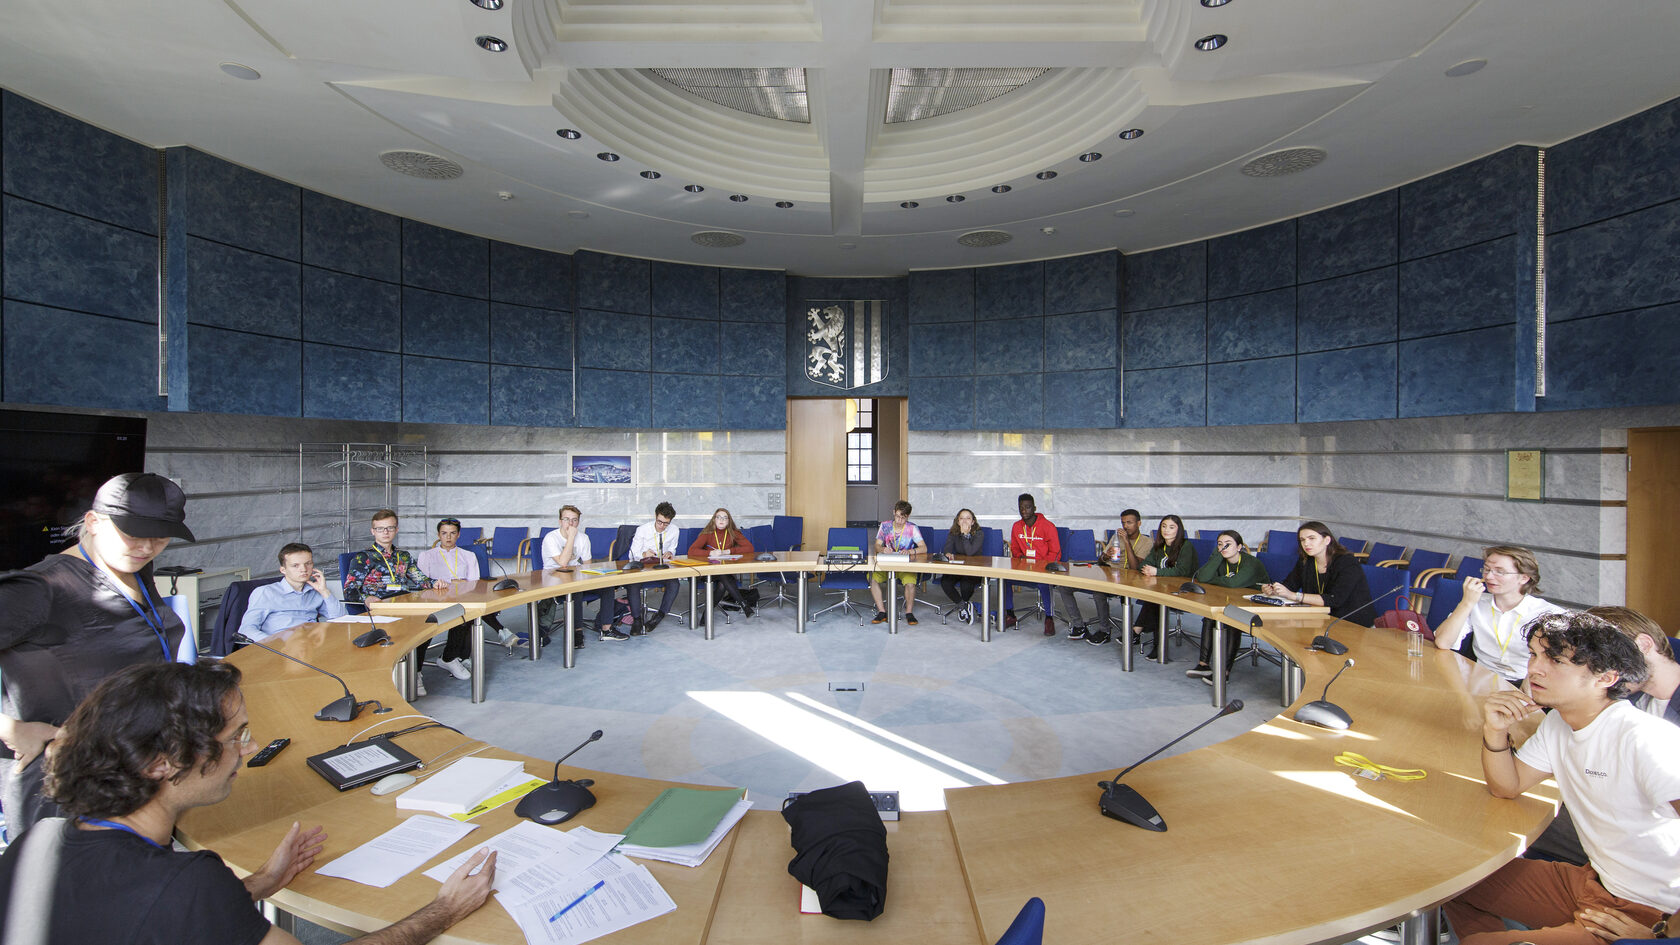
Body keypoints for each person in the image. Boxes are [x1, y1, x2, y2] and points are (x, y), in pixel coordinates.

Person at [0, 660, 498, 945]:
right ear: (161, 762)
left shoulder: (33, 841)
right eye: (237, 737)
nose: (250, 750)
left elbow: (146, 919)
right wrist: (442, 911)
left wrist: (259, 883)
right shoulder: (187, 881)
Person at [1443, 611, 1680, 945]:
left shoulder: (1644, 739)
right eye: (1534, 655)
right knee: (1450, 880)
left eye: (1555, 660)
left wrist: (1665, 935)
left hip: (1647, 912)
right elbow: (1507, 786)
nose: (1535, 669)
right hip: (1594, 884)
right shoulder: (1559, 723)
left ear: (1606, 677)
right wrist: (1495, 730)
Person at [0, 472, 194, 835]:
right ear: (93, 522)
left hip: (135, 766)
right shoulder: (40, 588)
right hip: (70, 783)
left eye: (160, 537)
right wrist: (10, 728)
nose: (147, 547)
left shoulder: (135, 568)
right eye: (134, 534)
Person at [341, 510, 445, 694]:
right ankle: (393, 677)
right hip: (379, 608)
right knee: (408, 631)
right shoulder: (363, 558)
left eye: (389, 528)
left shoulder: (403, 556)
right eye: (380, 529)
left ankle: (416, 672)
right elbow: (349, 590)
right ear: (373, 531)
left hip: (404, 605)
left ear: (396, 530)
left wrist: (435, 583)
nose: (385, 532)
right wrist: (367, 598)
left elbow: (421, 580)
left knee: (428, 625)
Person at [1433, 546, 1565, 684]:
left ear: (1524, 578)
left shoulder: (1549, 614)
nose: (1489, 576)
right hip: (1480, 679)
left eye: (1500, 572)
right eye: (1487, 569)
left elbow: (1560, 662)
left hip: (1528, 683)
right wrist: (1466, 603)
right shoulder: (1476, 602)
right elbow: (1443, 642)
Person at [416, 519, 510, 676]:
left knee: (469, 613)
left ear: (458, 535)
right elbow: (422, 584)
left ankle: (453, 657)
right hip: (436, 600)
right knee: (469, 611)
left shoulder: (469, 555)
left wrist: (455, 584)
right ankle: (499, 630)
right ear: (438, 535)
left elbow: (474, 583)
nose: (448, 537)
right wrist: (454, 583)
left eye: (452, 533)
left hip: (463, 598)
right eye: (444, 533)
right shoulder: (426, 556)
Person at [1184, 530, 1268, 682]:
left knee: (1232, 620)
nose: (1223, 548)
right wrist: (1217, 556)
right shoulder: (1219, 558)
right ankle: (1203, 665)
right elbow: (1202, 577)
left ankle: (1224, 672)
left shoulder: (1251, 563)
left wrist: (1215, 579)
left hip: (1255, 604)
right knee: (1210, 617)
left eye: (1228, 544)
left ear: (1239, 547)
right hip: (1231, 599)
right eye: (1220, 544)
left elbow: (1233, 583)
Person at [1063, 508, 1151, 647]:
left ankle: (1105, 631)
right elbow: (1101, 560)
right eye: (1123, 523)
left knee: (1099, 591)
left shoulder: (1146, 542)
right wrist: (1106, 556)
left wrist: (1127, 542)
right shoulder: (1116, 537)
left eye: (1129, 522)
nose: (1126, 526)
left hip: (1128, 577)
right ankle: (1079, 626)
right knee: (1065, 588)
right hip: (1107, 572)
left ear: (1139, 523)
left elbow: (1135, 568)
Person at [1260, 521, 1372, 620]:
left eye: (1311, 538)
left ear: (1327, 540)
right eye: (1302, 540)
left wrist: (1294, 596)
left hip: (1350, 621)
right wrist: (1274, 589)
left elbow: (1335, 600)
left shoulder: (1347, 562)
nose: (1306, 544)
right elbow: (1289, 585)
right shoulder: (1306, 561)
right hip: (1318, 617)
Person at [237, 542, 347, 643]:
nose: (304, 569)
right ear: (283, 570)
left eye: (308, 563)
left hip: (311, 644)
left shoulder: (315, 591)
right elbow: (246, 630)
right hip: (282, 648)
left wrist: (324, 591)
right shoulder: (266, 593)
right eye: (295, 565)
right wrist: (273, 643)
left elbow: (341, 620)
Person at [1133, 514, 1199, 659]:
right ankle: (1143, 635)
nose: (1166, 530)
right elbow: (1143, 564)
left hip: (1185, 588)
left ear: (1178, 530)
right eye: (1163, 526)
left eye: (1171, 527)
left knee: (1156, 600)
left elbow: (1183, 571)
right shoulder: (1159, 546)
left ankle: (1140, 633)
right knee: (1155, 598)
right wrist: (1147, 569)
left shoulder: (1185, 546)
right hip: (1163, 587)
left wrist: (1156, 571)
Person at [538, 505, 607, 644]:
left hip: (576, 577)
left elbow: (588, 565)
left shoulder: (584, 538)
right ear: (560, 521)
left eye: (574, 520)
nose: (570, 523)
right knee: (576, 589)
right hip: (553, 580)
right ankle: (577, 631)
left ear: (578, 522)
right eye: (566, 519)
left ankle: (606, 628)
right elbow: (563, 562)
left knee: (608, 586)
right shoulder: (551, 538)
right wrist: (571, 537)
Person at [1003, 494, 1061, 636]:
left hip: (1043, 569)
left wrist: (1042, 565)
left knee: (1044, 583)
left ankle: (1049, 618)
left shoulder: (1047, 526)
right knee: (1004, 579)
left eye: (1027, 507)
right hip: (1025, 569)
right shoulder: (1017, 526)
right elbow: (1015, 549)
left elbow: (1056, 551)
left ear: (1034, 508)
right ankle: (1010, 614)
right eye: (1021, 508)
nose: (1024, 511)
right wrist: (1020, 558)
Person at [689, 507, 757, 618]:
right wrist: (710, 553)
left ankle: (706, 615)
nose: (722, 520)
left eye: (725, 518)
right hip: (707, 572)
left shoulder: (733, 533)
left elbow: (750, 548)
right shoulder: (708, 533)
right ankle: (744, 605)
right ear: (714, 520)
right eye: (719, 517)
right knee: (724, 578)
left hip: (723, 571)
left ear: (728, 521)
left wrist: (729, 551)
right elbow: (691, 551)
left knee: (722, 582)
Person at [867, 501, 926, 625]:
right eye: (897, 516)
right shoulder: (885, 526)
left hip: (905, 565)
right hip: (887, 564)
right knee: (872, 579)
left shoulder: (912, 528)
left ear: (907, 517)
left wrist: (910, 551)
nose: (899, 520)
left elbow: (923, 548)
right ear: (894, 513)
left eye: (903, 518)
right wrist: (883, 549)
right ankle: (882, 611)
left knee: (910, 583)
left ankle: (909, 613)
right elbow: (877, 545)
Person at [627, 501, 681, 635]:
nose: (662, 526)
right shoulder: (642, 529)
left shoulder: (674, 530)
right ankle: (637, 620)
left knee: (674, 584)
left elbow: (672, 549)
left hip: (662, 567)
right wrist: (643, 554)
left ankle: (659, 615)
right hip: (643, 567)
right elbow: (632, 554)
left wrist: (670, 553)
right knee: (632, 584)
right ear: (655, 516)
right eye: (659, 522)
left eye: (666, 523)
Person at [939, 509, 984, 623]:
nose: (964, 521)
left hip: (974, 568)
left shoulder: (979, 533)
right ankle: (963, 606)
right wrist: (948, 553)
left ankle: (964, 606)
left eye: (968, 518)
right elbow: (947, 548)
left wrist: (965, 534)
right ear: (958, 521)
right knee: (945, 582)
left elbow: (970, 552)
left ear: (973, 522)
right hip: (959, 567)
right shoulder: (954, 533)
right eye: (961, 518)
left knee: (966, 585)